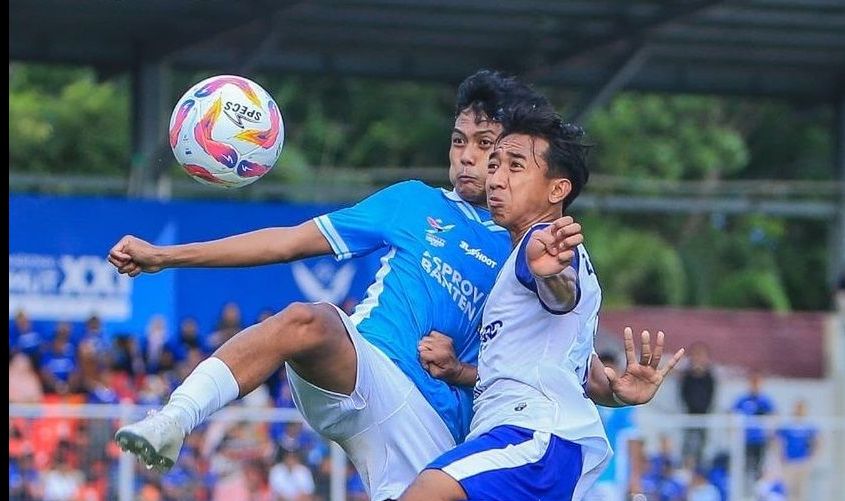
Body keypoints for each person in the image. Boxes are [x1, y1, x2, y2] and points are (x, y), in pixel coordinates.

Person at [111, 70, 549, 500]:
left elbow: (546, 371)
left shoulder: (528, 245)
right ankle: (175, 418)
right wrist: (165, 256)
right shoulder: (413, 202)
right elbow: (288, 242)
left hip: (434, 430)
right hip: (364, 372)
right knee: (309, 321)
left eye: (484, 144)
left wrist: (461, 372)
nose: (467, 156)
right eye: (459, 141)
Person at [399, 104, 684, 500]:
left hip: (532, 438)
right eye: (494, 165)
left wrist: (549, 274)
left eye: (515, 166)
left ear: (557, 189)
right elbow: (579, 373)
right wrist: (617, 392)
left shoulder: (543, 244)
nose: (495, 179)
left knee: (427, 490)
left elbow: (560, 295)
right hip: (542, 446)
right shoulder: (528, 253)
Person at [585, 352, 645, 501]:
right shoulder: (586, 402)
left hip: (612, 478)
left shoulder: (624, 408)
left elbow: (632, 442)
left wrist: (635, 479)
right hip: (583, 476)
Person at [733, 371, 775, 483]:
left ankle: (757, 491)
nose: (755, 385)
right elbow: (732, 412)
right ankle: (746, 490)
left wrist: (770, 433)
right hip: (745, 440)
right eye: (753, 382)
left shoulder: (765, 400)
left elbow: (773, 415)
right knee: (745, 467)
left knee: (758, 468)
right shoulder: (743, 399)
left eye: (757, 383)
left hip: (760, 440)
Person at [680, 341, 716, 467]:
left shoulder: (709, 377)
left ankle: (700, 468)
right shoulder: (687, 376)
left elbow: (710, 396)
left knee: (702, 447)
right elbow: (683, 395)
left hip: (703, 416)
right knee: (687, 445)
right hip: (688, 416)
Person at [776, 400, 817, 501]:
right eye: (797, 408)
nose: (799, 411)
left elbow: (818, 441)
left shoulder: (809, 426)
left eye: (801, 408)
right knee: (787, 489)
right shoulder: (787, 426)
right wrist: (781, 455)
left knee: (801, 490)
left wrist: (812, 458)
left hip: (803, 462)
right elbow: (777, 440)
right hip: (789, 462)